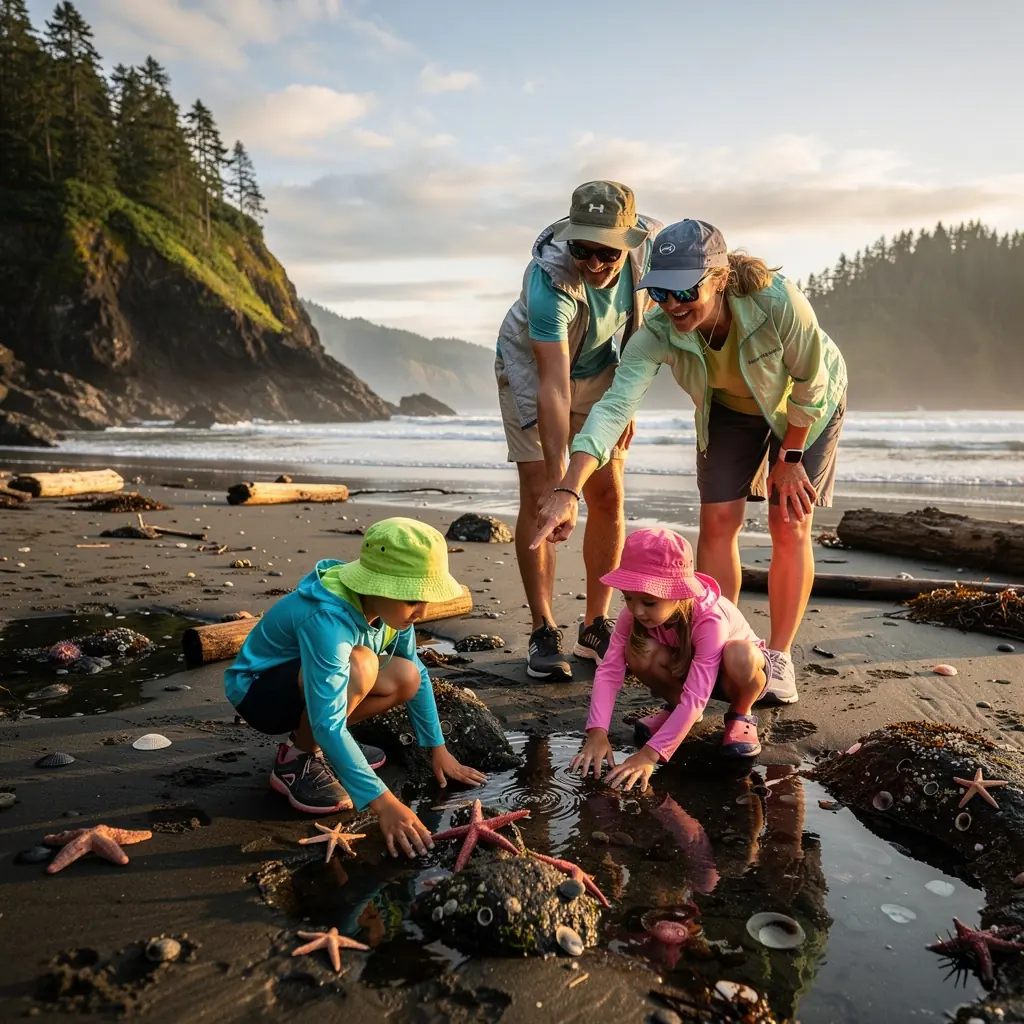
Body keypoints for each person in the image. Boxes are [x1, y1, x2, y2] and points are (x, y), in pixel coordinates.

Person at [534, 219, 848, 704]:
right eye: (659, 291)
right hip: (728, 407)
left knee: (788, 521)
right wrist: (567, 488)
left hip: (808, 405)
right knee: (718, 519)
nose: (672, 304)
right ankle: (719, 642)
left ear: (718, 279)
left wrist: (789, 456)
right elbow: (614, 408)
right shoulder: (659, 330)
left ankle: (779, 656)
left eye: (684, 291)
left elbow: (811, 380)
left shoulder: (779, 303)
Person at [224, 517, 486, 858]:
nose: (420, 612)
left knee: (405, 676)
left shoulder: (391, 609)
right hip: (259, 692)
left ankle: (331, 750)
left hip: (308, 685)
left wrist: (438, 748)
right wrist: (384, 803)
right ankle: (297, 758)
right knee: (362, 664)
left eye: (426, 600)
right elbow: (328, 722)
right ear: (379, 585)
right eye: (412, 601)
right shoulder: (328, 619)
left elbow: (416, 674)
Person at [495, 180, 662, 680]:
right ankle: (543, 628)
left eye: (605, 251)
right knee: (539, 492)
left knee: (608, 492)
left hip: (604, 369)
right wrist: (559, 481)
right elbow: (553, 385)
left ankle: (596, 624)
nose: (593, 262)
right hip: (532, 370)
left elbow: (648, 335)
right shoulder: (549, 283)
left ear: (629, 241)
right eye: (581, 248)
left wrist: (624, 405)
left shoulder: (654, 252)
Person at [571, 527, 775, 792]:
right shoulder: (632, 614)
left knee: (740, 654)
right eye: (628, 598)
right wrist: (597, 732)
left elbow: (697, 696)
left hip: (736, 675)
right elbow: (609, 670)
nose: (636, 610)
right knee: (639, 650)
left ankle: (740, 714)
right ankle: (675, 707)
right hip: (687, 670)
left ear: (679, 593)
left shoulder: (709, 619)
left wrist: (649, 754)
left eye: (648, 602)